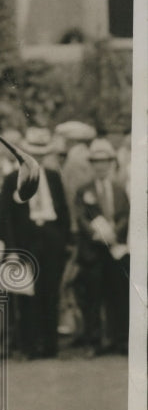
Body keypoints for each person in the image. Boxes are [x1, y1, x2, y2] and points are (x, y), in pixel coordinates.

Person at [0, 128, 71, 359]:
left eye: (41, 153)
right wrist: (11, 249)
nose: (36, 158)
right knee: (27, 296)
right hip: (24, 242)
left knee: (50, 292)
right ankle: (29, 345)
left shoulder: (53, 177)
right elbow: (4, 216)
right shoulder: (11, 180)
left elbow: (63, 212)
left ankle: (50, 345)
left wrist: (63, 240)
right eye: (31, 152)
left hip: (50, 239)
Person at [73, 138, 130, 356]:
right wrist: (96, 234)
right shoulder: (83, 190)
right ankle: (93, 342)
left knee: (118, 295)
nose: (100, 165)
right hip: (94, 251)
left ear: (111, 162)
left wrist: (115, 231)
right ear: (91, 164)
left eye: (104, 161)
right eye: (96, 162)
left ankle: (120, 339)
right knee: (93, 298)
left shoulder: (118, 188)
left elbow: (125, 214)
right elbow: (80, 218)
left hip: (116, 250)